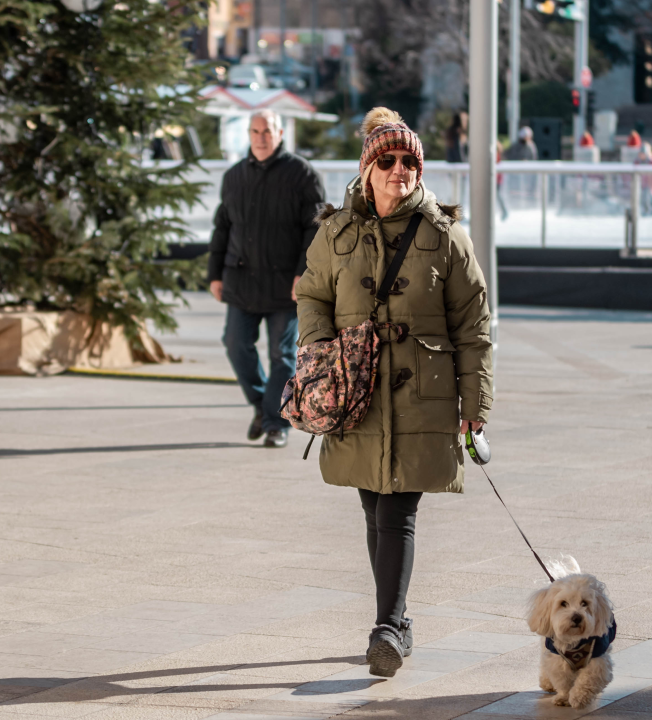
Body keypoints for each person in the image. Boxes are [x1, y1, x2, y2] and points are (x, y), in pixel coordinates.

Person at [296, 107, 493, 678]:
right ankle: (398, 619)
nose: (400, 169)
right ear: (368, 168)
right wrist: (322, 348)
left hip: (422, 394)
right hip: (356, 390)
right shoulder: (335, 232)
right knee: (372, 504)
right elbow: (312, 296)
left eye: (410, 161)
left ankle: (387, 627)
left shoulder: (445, 235)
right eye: (388, 160)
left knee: (397, 510)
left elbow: (474, 328)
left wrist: (475, 408)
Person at [208, 109, 324, 448]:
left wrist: (304, 273)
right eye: (255, 131)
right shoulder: (234, 176)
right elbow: (222, 228)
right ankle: (262, 405)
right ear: (248, 134)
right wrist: (214, 274)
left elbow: (315, 228)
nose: (261, 137)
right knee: (235, 344)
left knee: (282, 355)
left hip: (284, 284)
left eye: (267, 131)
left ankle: (276, 424)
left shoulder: (301, 174)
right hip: (241, 281)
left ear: (280, 133)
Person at [635, 142, 652, 215]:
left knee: (649, 197)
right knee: (647, 197)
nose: (642, 155)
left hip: (651, 184)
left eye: (643, 153)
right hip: (642, 184)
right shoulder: (637, 162)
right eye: (641, 153)